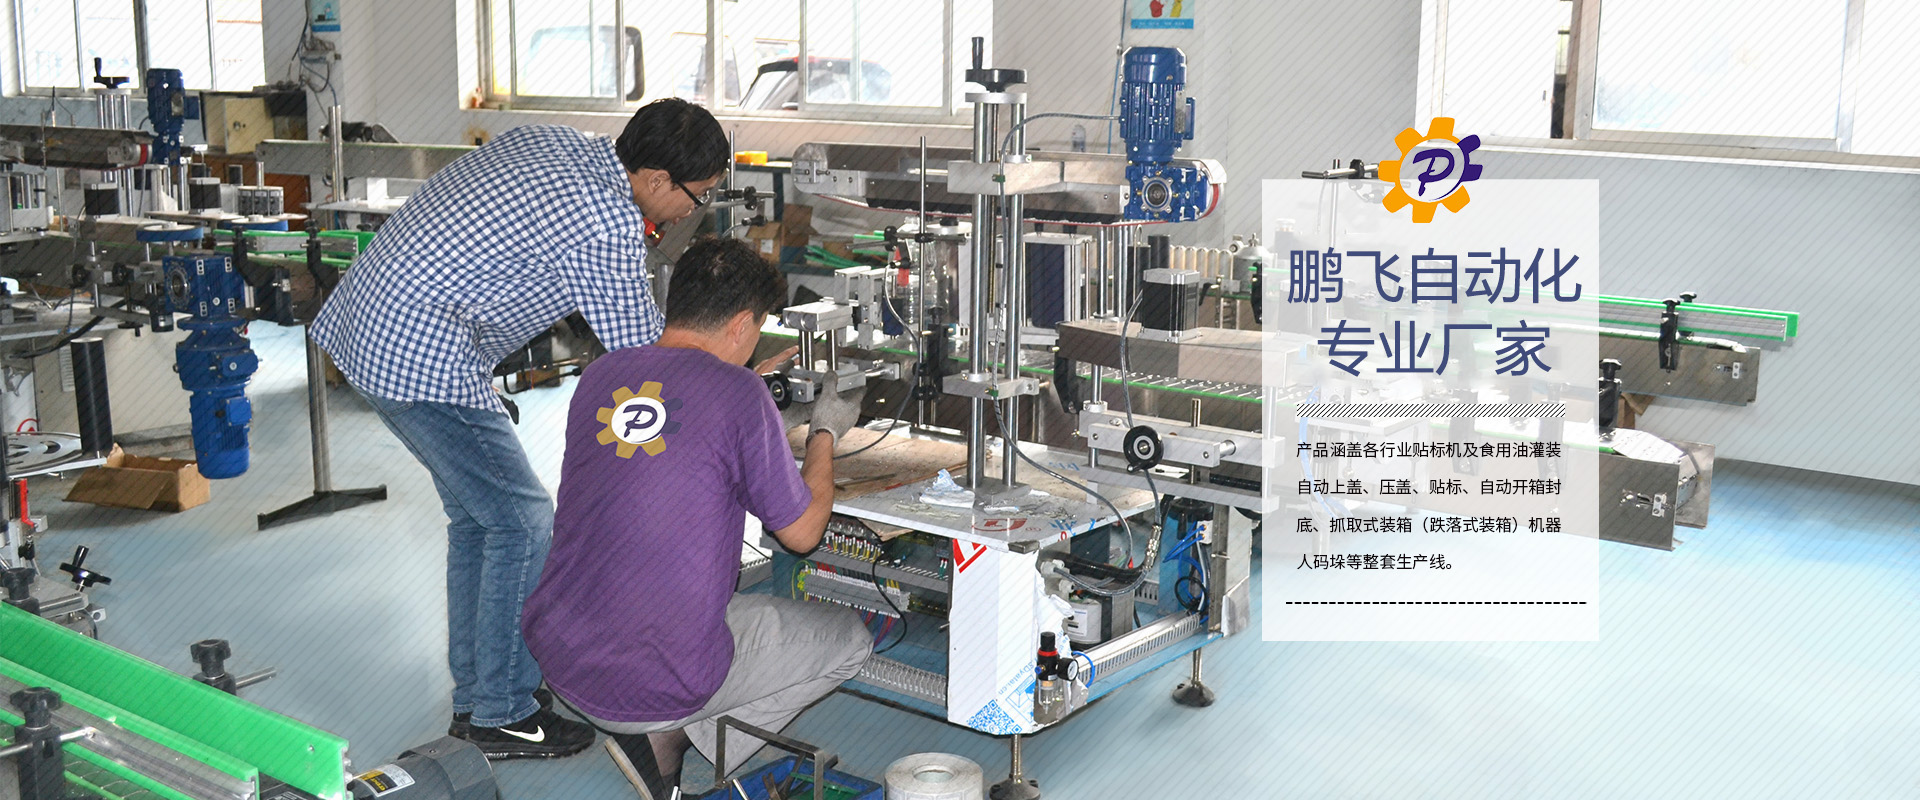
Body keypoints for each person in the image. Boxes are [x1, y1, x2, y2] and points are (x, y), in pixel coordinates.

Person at [312, 99, 780, 758]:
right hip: (420, 352)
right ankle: (500, 713)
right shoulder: (605, 223)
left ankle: (480, 696)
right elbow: (649, 362)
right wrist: (738, 382)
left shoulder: (561, 141)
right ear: (655, 179)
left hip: (380, 320)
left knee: (481, 520)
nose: (690, 212)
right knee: (522, 522)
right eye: (695, 196)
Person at [522, 236, 871, 799]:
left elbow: (669, 443)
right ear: (741, 324)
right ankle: (671, 737)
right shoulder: (738, 393)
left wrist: (756, 402)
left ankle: (655, 732)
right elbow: (803, 534)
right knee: (850, 640)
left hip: (562, 655)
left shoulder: (602, 375)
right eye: (758, 328)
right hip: (650, 684)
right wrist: (825, 429)